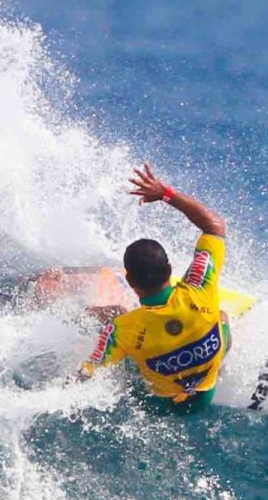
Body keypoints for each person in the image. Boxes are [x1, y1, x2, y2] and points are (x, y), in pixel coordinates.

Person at [80, 164, 231, 412]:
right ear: (170, 270)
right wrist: (165, 194)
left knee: (115, 313)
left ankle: (75, 311)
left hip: (162, 405)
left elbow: (88, 373)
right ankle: (220, 365)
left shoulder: (123, 328)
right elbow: (214, 226)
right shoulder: (199, 286)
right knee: (222, 315)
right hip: (207, 390)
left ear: (129, 281)